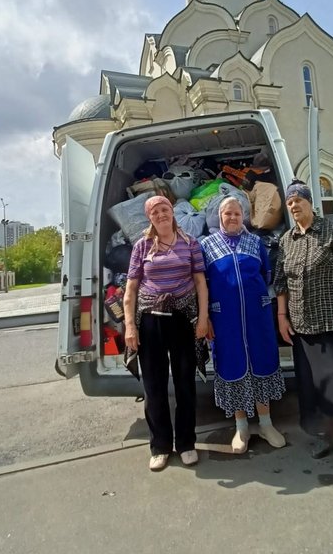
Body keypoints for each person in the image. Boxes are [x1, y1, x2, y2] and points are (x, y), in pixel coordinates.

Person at [273, 180, 333, 482]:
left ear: (311, 203)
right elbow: (281, 283)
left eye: (299, 200)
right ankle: (329, 435)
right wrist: (282, 317)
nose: (295, 205)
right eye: (290, 202)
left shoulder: (332, 232)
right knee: (315, 388)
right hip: (301, 327)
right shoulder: (286, 240)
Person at [124, 195, 209, 472]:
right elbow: (131, 289)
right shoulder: (142, 246)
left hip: (183, 319)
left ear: (172, 212)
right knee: (154, 386)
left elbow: (200, 283)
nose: (161, 215)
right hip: (150, 322)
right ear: (149, 217)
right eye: (155, 211)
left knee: (185, 383)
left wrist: (203, 319)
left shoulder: (190, 244)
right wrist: (129, 325)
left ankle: (186, 444)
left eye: (164, 209)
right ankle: (160, 446)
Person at [200, 196, 286, 454]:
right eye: (227, 214)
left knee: (261, 361)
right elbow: (201, 284)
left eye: (237, 213)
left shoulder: (255, 242)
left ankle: (266, 423)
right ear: (219, 217)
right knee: (233, 364)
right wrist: (205, 318)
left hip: (256, 316)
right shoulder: (207, 245)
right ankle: (241, 427)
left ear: (243, 216)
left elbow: (266, 275)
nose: (233, 218)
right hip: (224, 318)